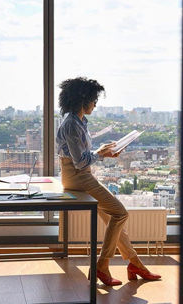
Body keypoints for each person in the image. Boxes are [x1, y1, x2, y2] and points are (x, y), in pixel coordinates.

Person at [56, 77, 161, 286]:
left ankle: (136, 264)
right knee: (121, 213)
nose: (96, 104)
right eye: (94, 99)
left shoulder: (77, 121)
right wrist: (102, 153)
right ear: (83, 100)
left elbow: (83, 155)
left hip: (80, 175)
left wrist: (102, 152)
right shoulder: (71, 124)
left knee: (114, 221)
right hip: (79, 177)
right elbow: (80, 161)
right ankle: (101, 266)